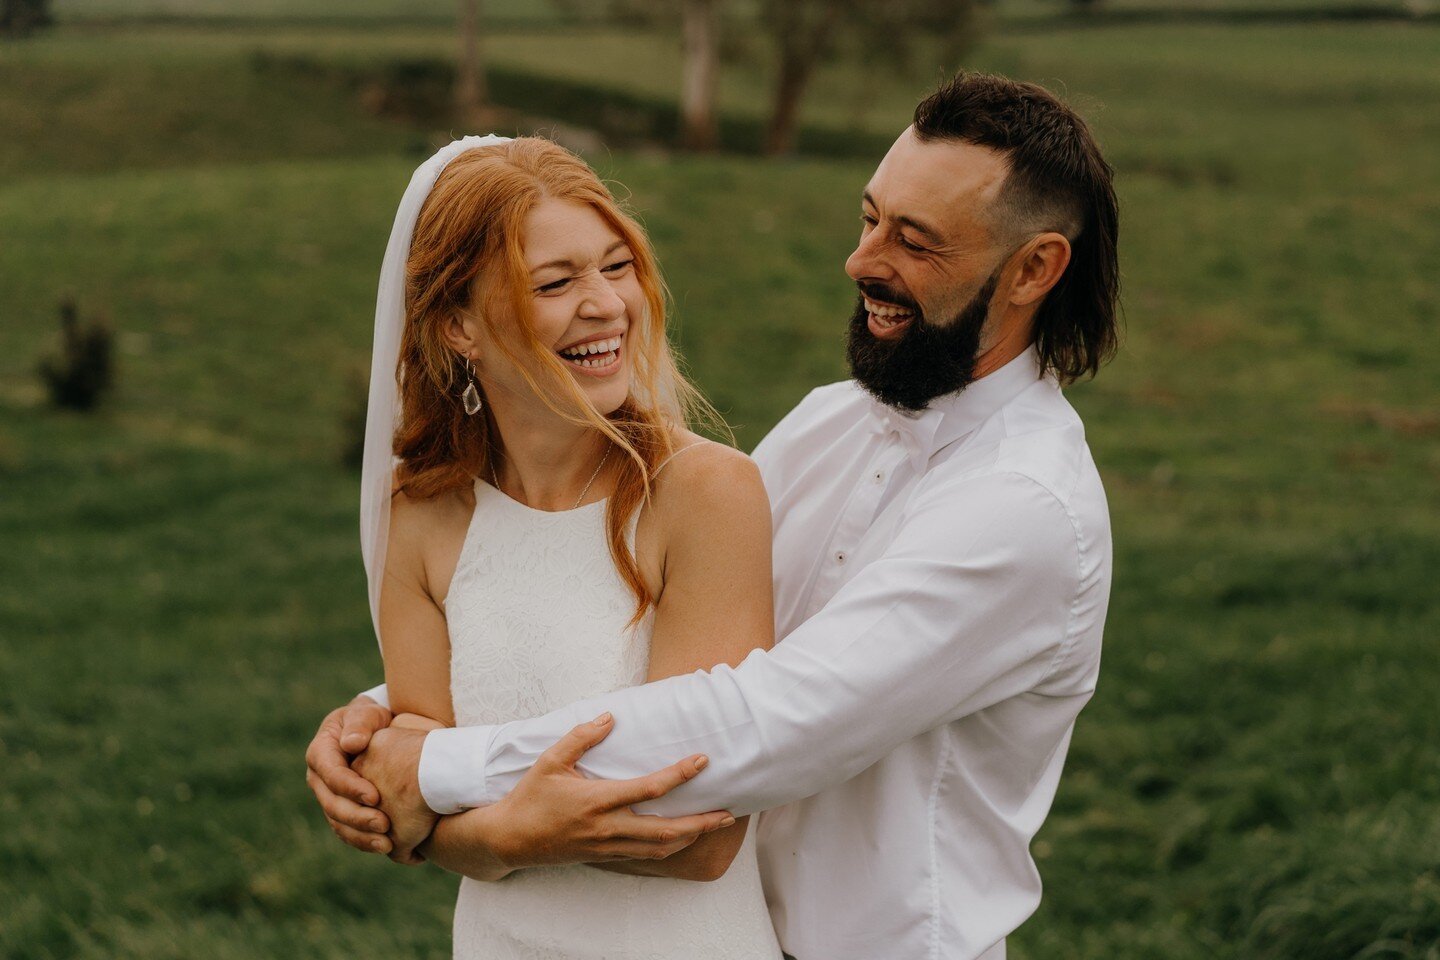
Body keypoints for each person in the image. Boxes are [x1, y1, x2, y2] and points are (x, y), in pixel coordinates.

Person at [309, 72, 1121, 960]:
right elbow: (622, 618)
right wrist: (383, 719)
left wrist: (432, 765)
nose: (862, 260)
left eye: (914, 241)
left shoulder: (1025, 508)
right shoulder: (833, 420)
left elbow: (759, 720)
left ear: (1035, 268)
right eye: (869, 218)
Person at [346, 133, 784, 958]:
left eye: (616, 266)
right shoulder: (424, 513)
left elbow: (702, 831)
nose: (607, 305)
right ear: (458, 327)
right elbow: (406, 811)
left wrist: (476, 814)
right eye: (555, 282)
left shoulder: (704, 495)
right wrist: (490, 823)